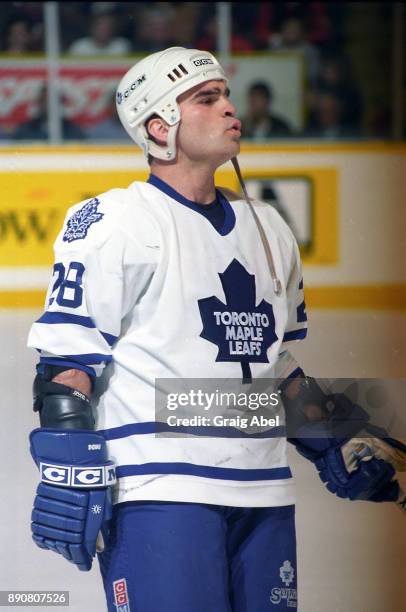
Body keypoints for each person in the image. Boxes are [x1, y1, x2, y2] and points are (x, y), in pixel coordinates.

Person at [27, 46, 405, 612]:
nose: (230, 107)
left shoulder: (271, 227)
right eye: (207, 98)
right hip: (158, 492)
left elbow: (274, 366)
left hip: (265, 493)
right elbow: (67, 363)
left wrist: (336, 436)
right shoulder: (116, 221)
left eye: (226, 94)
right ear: (160, 126)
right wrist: (68, 461)